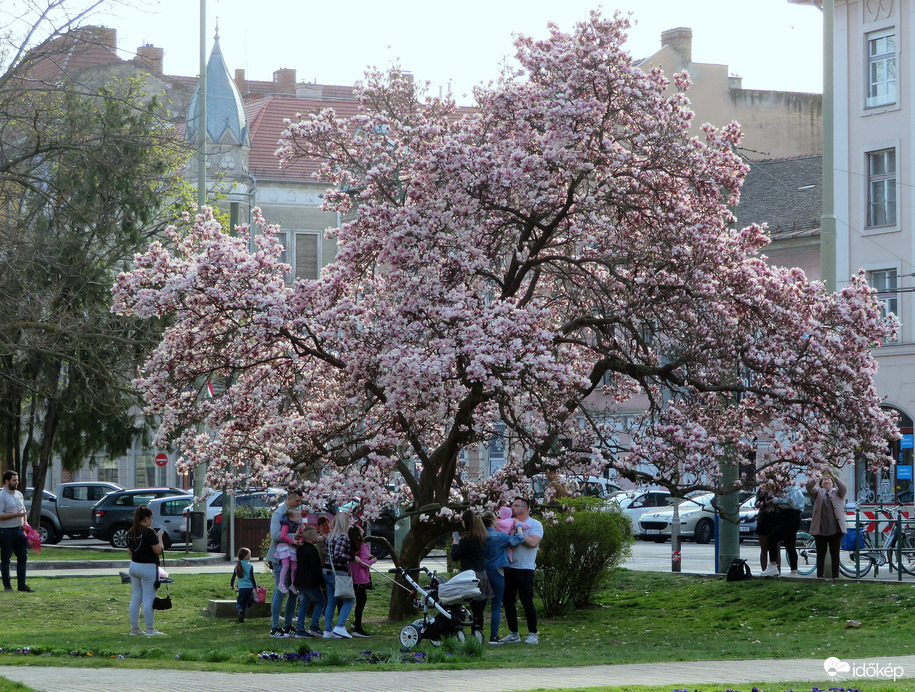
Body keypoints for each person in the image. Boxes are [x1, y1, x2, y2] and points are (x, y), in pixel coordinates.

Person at [502, 496, 543, 645]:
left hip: (525, 568)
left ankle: (533, 633)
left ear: (525, 508)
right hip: (510, 567)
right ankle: (514, 633)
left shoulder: (534, 524)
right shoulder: (510, 524)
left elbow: (533, 542)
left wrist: (519, 534)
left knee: (527, 602)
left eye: (516, 505)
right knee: (508, 601)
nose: (512, 508)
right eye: (512, 505)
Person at [481, 510, 524, 645]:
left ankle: (478, 633)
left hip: (483, 572)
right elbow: (518, 539)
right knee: (496, 605)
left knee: (480, 605)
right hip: (497, 570)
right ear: (493, 521)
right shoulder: (499, 537)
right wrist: (518, 527)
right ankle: (493, 636)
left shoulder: (480, 537)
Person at [266, 488, 303, 637]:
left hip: (294, 555)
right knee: (280, 590)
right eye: (297, 501)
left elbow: (303, 530)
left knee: (293, 591)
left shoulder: (296, 513)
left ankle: (288, 625)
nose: (299, 504)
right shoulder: (279, 514)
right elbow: (275, 534)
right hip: (280, 556)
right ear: (289, 499)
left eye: (300, 501)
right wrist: (294, 537)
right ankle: (275, 627)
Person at [450, 509, 493, 635]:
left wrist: (455, 544)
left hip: (469, 576)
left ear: (465, 522)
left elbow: (455, 556)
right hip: (482, 574)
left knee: (462, 604)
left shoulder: (467, 539)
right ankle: (478, 631)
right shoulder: (482, 537)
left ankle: (463, 629)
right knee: (478, 608)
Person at [126, 506, 165, 636]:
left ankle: (135, 628)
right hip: (148, 567)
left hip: (134, 566)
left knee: (136, 597)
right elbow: (158, 551)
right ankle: (150, 629)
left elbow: (130, 553)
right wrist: (159, 537)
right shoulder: (149, 533)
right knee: (149, 598)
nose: (152, 521)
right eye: (151, 518)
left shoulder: (131, 532)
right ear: (147, 518)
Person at [807, 470, 847, 579]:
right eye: (824, 479)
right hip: (820, 529)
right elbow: (808, 487)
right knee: (820, 554)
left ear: (833, 482)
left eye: (829, 478)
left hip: (836, 529)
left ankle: (835, 577)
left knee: (835, 554)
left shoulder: (838, 492)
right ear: (820, 483)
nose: (827, 479)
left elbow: (844, 487)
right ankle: (820, 576)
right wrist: (818, 474)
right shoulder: (817, 492)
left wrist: (833, 475)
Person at [322, 511, 356, 639]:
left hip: (327, 570)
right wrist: (352, 557)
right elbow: (339, 555)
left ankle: (328, 630)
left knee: (331, 601)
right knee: (349, 600)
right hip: (338, 572)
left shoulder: (330, 537)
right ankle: (340, 626)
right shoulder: (343, 537)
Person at [0, 471, 31, 593]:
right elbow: (0, 515)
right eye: (14, 480)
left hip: (19, 530)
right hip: (6, 531)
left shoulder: (19, 494)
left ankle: (22, 585)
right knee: (6, 558)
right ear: (7, 481)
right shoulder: (1, 496)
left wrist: (25, 523)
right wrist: (16, 515)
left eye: (17, 480)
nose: (17, 482)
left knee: (23, 557)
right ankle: (7, 586)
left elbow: (22, 511)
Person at [765, 483, 805, 577]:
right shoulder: (788, 488)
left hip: (790, 517)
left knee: (772, 538)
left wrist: (775, 500)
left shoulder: (792, 488)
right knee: (790, 545)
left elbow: (789, 502)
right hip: (788, 517)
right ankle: (793, 572)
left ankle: (773, 565)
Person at [294, 525, 326, 637]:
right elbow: (316, 569)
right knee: (321, 601)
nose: (318, 537)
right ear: (312, 538)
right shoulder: (312, 550)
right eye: (317, 535)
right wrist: (322, 584)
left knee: (304, 604)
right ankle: (314, 626)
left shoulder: (301, 549)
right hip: (310, 582)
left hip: (300, 581)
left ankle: (300, 629)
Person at [348, 525, 377, 637]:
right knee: (361, 601)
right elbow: (364, 564)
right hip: (361, 577)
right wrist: (373, 560)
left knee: (359, 600)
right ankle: (358, 627)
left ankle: (356, 623)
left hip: (353, 576)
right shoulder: (363, 546)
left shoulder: (353, 546)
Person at [755, 483, 781, 576]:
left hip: (775, 519)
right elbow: (757, 501)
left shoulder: (779, 488)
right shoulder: (762, 488)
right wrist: (759, 503)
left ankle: (776, 570)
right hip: (763, 519)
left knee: (776, 547)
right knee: (764, 548)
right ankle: (764, 570)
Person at [275, 507, 302, 594]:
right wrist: (293, 540)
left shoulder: (298, 525)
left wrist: (302, 540)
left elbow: (304, 533)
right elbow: (283, 536)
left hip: (292, 547)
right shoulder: (286, 524)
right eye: (297, 517)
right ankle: (281, 583)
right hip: (285, 547)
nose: (299, 518)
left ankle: (293, 584)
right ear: (291, 518)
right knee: (286, 565)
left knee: (294, 567)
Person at [230, 547, 258, 623]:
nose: (250, 556)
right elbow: (252, 578)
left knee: (239, 603)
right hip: (249, 588)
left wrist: (232, 585)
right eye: (249, 555)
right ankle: (242, 618)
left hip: (241, 588)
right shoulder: (250, 566)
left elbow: (233, 577)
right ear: (246, 556)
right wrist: (255, 587)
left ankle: (239, 610)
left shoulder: (238, 565)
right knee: (245, 603)